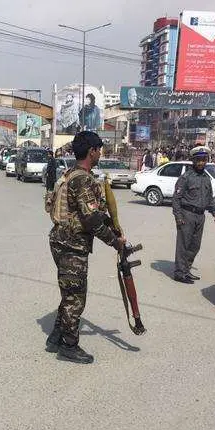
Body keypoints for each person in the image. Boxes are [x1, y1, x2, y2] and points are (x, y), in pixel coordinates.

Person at [46, 131, 126, 364]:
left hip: (61, 240)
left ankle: (55, 338)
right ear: (91, 151)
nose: (100, 153)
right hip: (71, 244)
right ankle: (69, 346)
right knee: (75, 297)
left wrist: (113, 228)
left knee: (69, 292)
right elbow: (91, 220)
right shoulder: (82, 179)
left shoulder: (71, 173)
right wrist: (114, 241)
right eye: (99, 149)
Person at [172, 146, 215, 284]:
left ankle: (186, 270)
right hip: (187, 215)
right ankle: (179, 273)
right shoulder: (186, 177)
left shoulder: (206, 178)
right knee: (183, 245)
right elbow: (176, 199)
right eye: (198, 160)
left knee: (195, 245)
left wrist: (214, 211)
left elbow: (210, 196)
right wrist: (178, 216)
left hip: (200, 216)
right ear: (193, 161)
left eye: (204, 160)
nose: (201, 163)